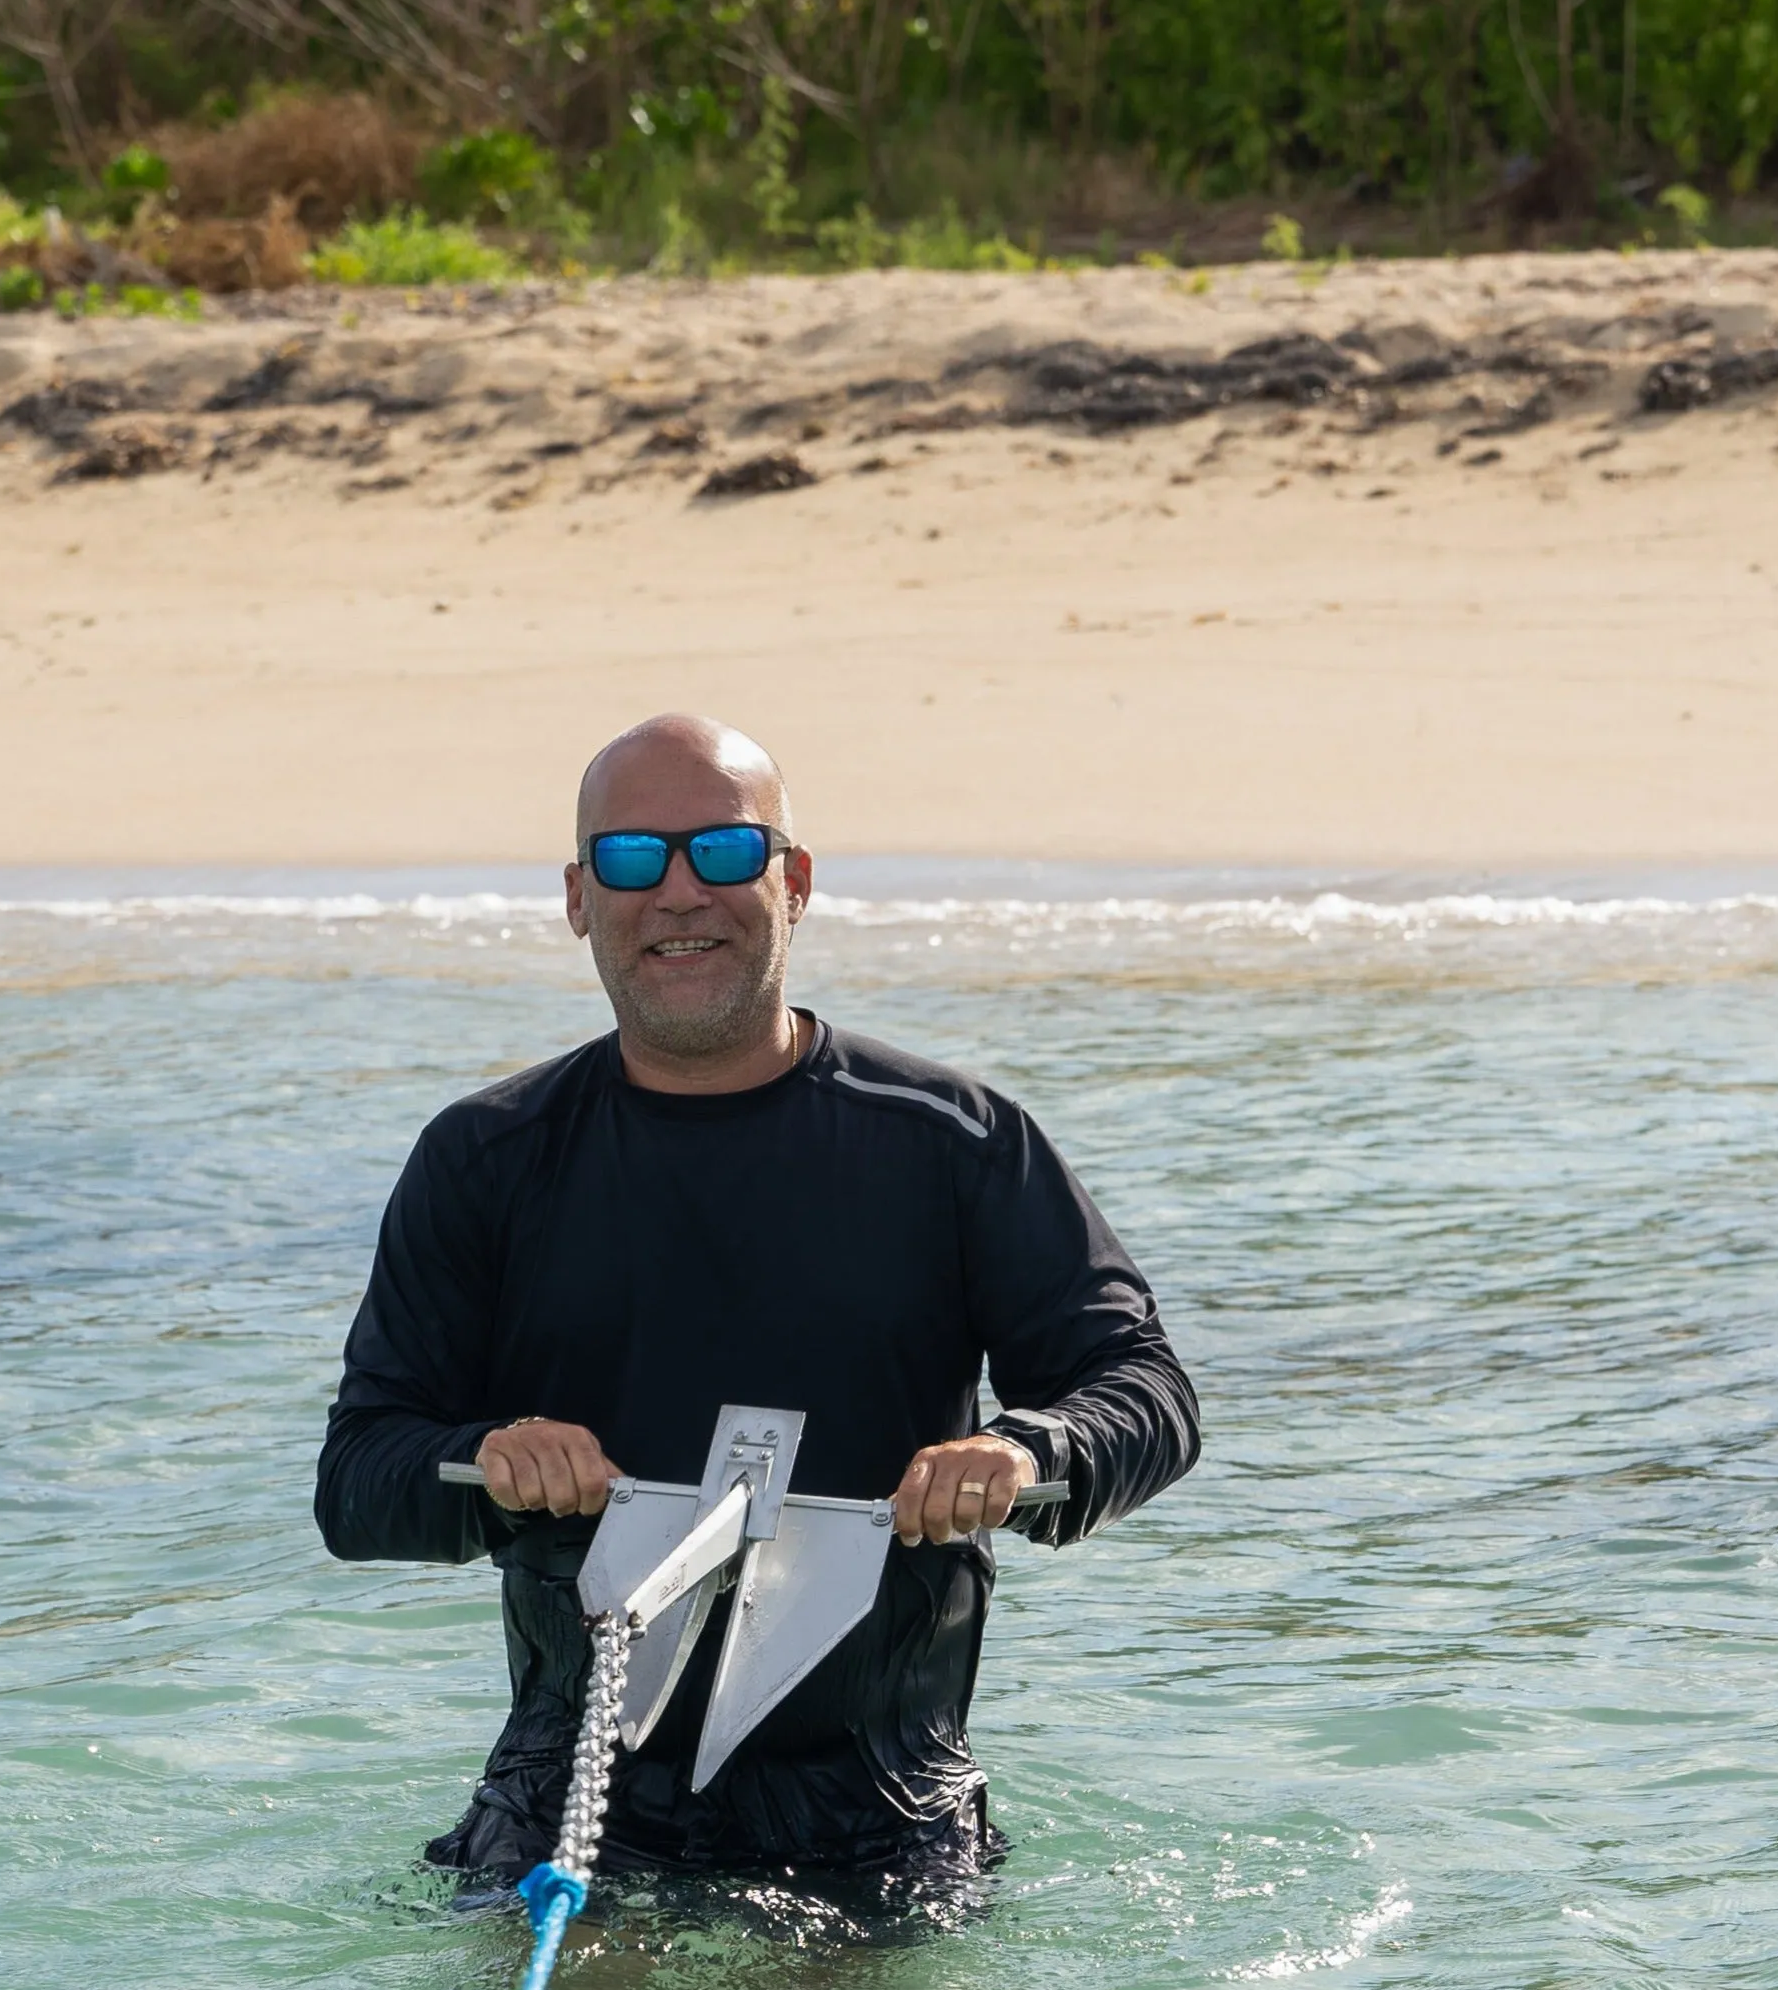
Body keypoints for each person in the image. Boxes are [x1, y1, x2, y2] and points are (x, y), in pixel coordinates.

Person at [315, 712, 1199, 1894]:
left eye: (724, 853)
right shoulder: (486, 1158)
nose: (680, 893)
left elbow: (1146, 1395)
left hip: (884, 1789)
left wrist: (1023, 1449)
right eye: (634, 860)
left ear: (794, 881)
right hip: (572, 1787)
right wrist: (485, 1460)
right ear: (580, 898)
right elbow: (357, 1479)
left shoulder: (955, 1144)